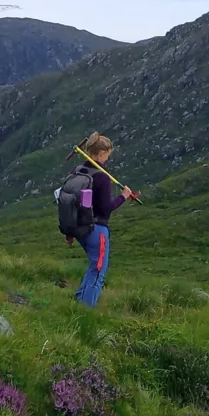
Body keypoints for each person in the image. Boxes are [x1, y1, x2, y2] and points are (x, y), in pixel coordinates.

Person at [71, 132, 133, 309]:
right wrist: (123, 196)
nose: (107, 158)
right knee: (98, 271)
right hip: (97, 229)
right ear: (101, 153)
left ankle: (78, 303)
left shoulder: (79, 171)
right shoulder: (102, 177)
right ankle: (85, 312)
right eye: (107, 155)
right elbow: (105, 209)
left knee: (93, 266)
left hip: (79, 227)